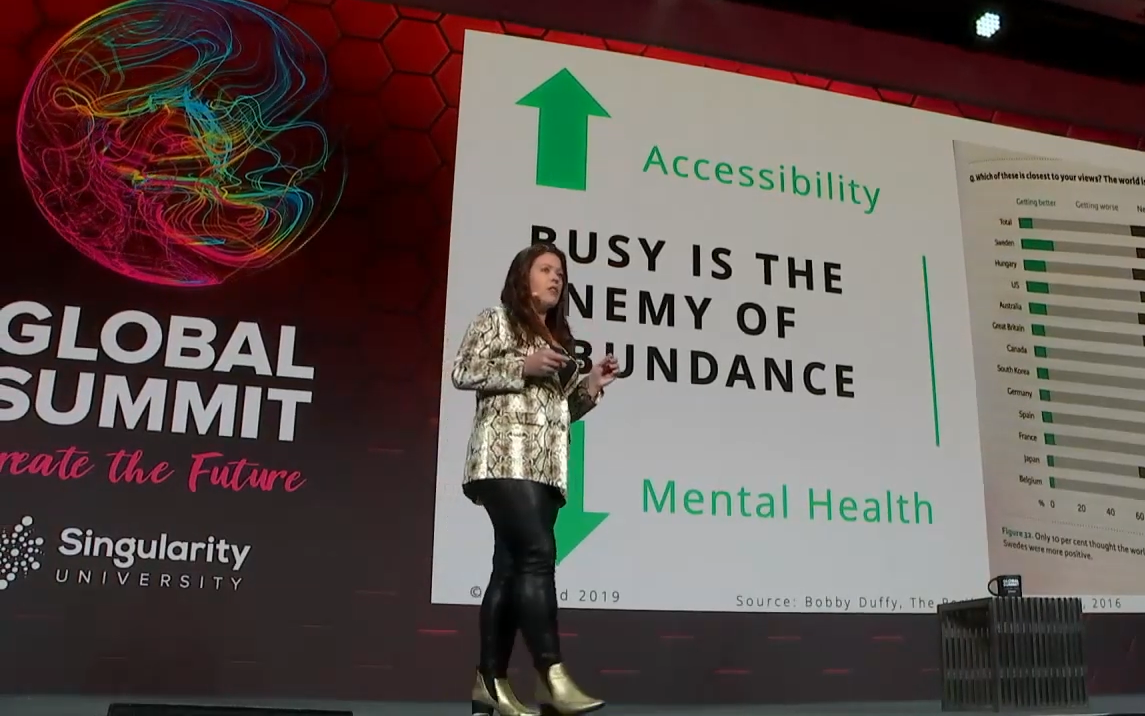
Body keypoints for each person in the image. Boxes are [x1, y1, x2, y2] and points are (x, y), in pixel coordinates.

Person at [451, 243, 619, 716]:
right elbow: (462, 371)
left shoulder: (557, 338)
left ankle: (490, 682)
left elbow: (564, 411)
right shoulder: (495, 319)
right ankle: (552, 675)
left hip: (545, 468)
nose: (556, 278)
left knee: (509, 567)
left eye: (561, 273)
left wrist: (591, 386)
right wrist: (520, 366)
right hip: (504, 459)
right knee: (538, 555)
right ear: (522, 276)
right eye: (546, 269)